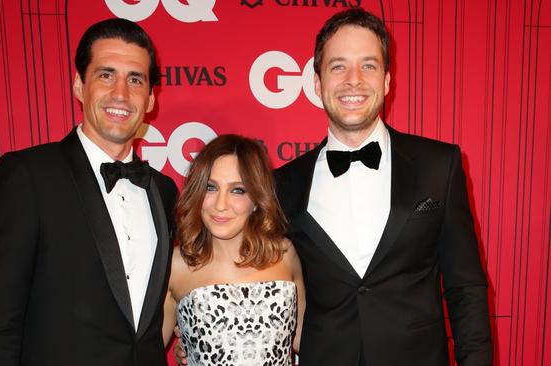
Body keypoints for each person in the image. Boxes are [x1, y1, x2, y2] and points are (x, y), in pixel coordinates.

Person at [273, 8, 493, 366]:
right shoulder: (283, 183)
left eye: (368, 65)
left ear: (387, 81)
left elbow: (465, 287)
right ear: (317, 83)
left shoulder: (440, 165)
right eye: (338, 66)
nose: (354, 80)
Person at [0, 18, 177, 366]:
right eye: (106, 74)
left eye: (135, 79)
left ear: (151, 98)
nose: (121, 94)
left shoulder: (164, 190)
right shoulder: (28, 176)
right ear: (79, 86)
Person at [163, 134, 305, 365]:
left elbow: (306, 341)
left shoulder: (283, 254)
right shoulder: (176, 265)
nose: (221, 205)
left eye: (237, 190)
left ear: (257, 199)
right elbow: (142, 351)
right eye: (210, 188)